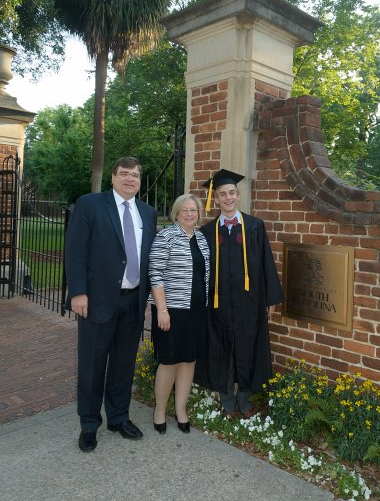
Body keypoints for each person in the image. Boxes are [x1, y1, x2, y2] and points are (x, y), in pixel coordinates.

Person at [65, 157, 157, 452]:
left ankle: (118, 417)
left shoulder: (147, 213)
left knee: (123, 364)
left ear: (140, 182)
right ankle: (89, 424)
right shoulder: (90, 205)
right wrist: (78, 292)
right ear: (114, 178)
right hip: (98, 301)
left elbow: (148, 257)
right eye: (124, 174)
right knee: (92, 365)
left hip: (133, 302)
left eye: (135, 175)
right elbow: (75, 251)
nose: (130, 179)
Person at [195, 169, 283, 418]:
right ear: (216, 199)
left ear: (238, 195)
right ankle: (227, 400)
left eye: (232, 192)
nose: (228, 198)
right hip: (217, 302)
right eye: (222, 194)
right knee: (220, 347)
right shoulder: (207, 232)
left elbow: (266, 262)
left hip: (249, 303)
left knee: (248, 347)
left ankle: (244, 399)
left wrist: (271, 298)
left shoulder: (254, 226)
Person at [148, 194, 210, 434]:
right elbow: (155, 274)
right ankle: (160, 410)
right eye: (184, 210)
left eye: (193, 210)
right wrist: (162, 310)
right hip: (171, 310)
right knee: (169, 361)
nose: (189, 214)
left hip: (196, 310)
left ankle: (181, 410)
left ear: (198, 214)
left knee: (188, 360)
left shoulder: (202, 239)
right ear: (176, 213)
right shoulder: (165, 237)